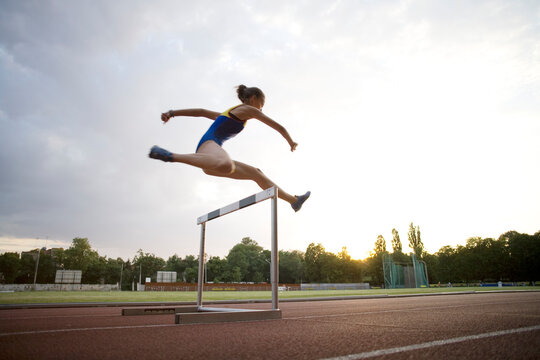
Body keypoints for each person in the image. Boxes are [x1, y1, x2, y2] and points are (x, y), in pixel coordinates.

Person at [149, 85, 310, 212]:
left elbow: (201, 112)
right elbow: (278, 126)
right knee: (227, 164)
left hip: (210, 159)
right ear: (254, 98)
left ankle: (294, 201)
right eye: (262, 104)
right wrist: (291, 141)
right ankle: (170, 155)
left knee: (256, 173)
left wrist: (172, 113)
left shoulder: (229, 113)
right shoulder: (249, 110)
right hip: (209, 147)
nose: (261, 109)